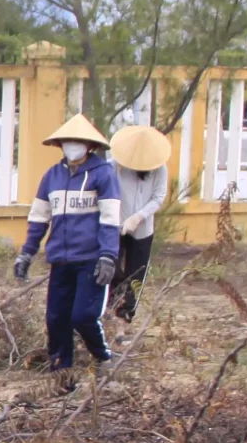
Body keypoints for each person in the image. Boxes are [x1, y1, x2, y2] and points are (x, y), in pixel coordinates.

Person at [13, 115, 122, 381]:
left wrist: (108, 256)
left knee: (83, 316)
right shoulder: (52, 176)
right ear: (60, 145)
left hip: (91, 259)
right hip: (60, 259)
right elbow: (39, 217)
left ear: (90, 146)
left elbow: (110, 220)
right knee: (56, 320)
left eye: (78, 141)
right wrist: (27, 252)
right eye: (67, 141)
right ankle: (61, 375)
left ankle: (102, 356)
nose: (72, 146)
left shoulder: (103, 175)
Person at [106, 124, 172, 325]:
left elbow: (158, 197)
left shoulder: (159, 168)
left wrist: (138, 217)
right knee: (113, 271)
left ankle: (124, 321)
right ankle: (109, 313)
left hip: (142, 229)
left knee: (136, 275)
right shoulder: (113, 166)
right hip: (115, 226)